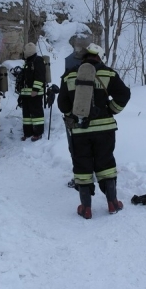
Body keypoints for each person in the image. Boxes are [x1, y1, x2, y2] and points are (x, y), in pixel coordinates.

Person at [57, 43, 131, 219]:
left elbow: (62, 104)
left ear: (84, 57)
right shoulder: (108, 73)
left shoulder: (69, 75)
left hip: (80, 130)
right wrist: (111, 110)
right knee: (106, 164)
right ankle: (112, 203)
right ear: (100, 57)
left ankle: (86, 208)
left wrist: (73, 116)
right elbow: (124, 94)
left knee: (82, 166)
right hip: (105, 129)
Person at [64, 46, 87, 189]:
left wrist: (68, 114)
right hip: (94, 120)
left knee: (76, 149)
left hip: (73, 121)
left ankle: (80, 179)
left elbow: (62, 103)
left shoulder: (68, 76)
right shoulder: (95, 72)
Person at [19, 42, 46, 141]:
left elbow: (40, 76)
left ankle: (38, 133)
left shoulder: (37, 60)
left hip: (35, 94)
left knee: (36, 114)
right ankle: (28, 132)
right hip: (26, 94)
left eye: (25, 50)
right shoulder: (27, 62)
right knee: (26, 115)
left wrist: (35, 90)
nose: (24, 52)